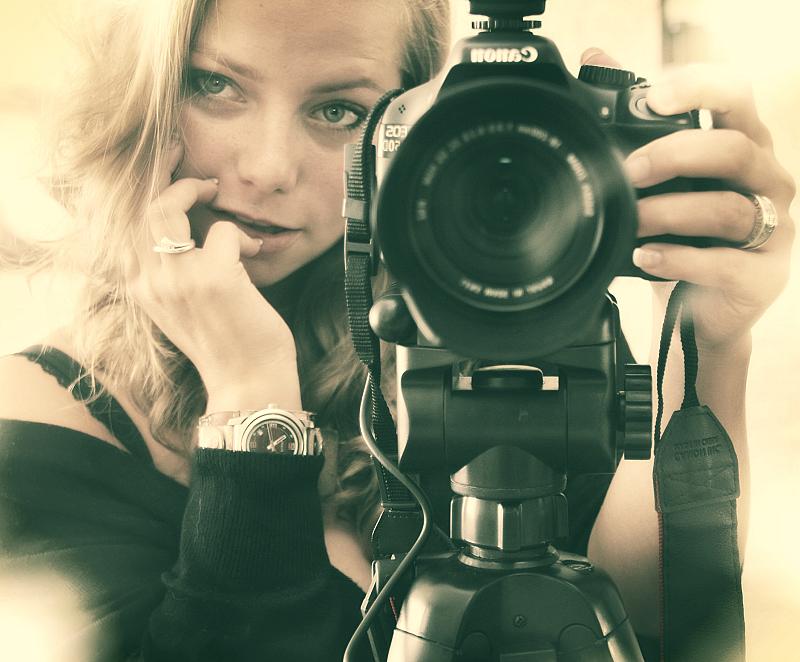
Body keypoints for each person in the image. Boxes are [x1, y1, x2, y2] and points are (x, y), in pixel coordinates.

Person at [0, 0, 794, 660]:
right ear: (141, 98)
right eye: (216, 86)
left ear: (410, 135)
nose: (269, 167)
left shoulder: (469, 329)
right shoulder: (32, 426)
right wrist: (251, 399)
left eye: (338, 110)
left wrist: (709, 338)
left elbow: (660, 628)